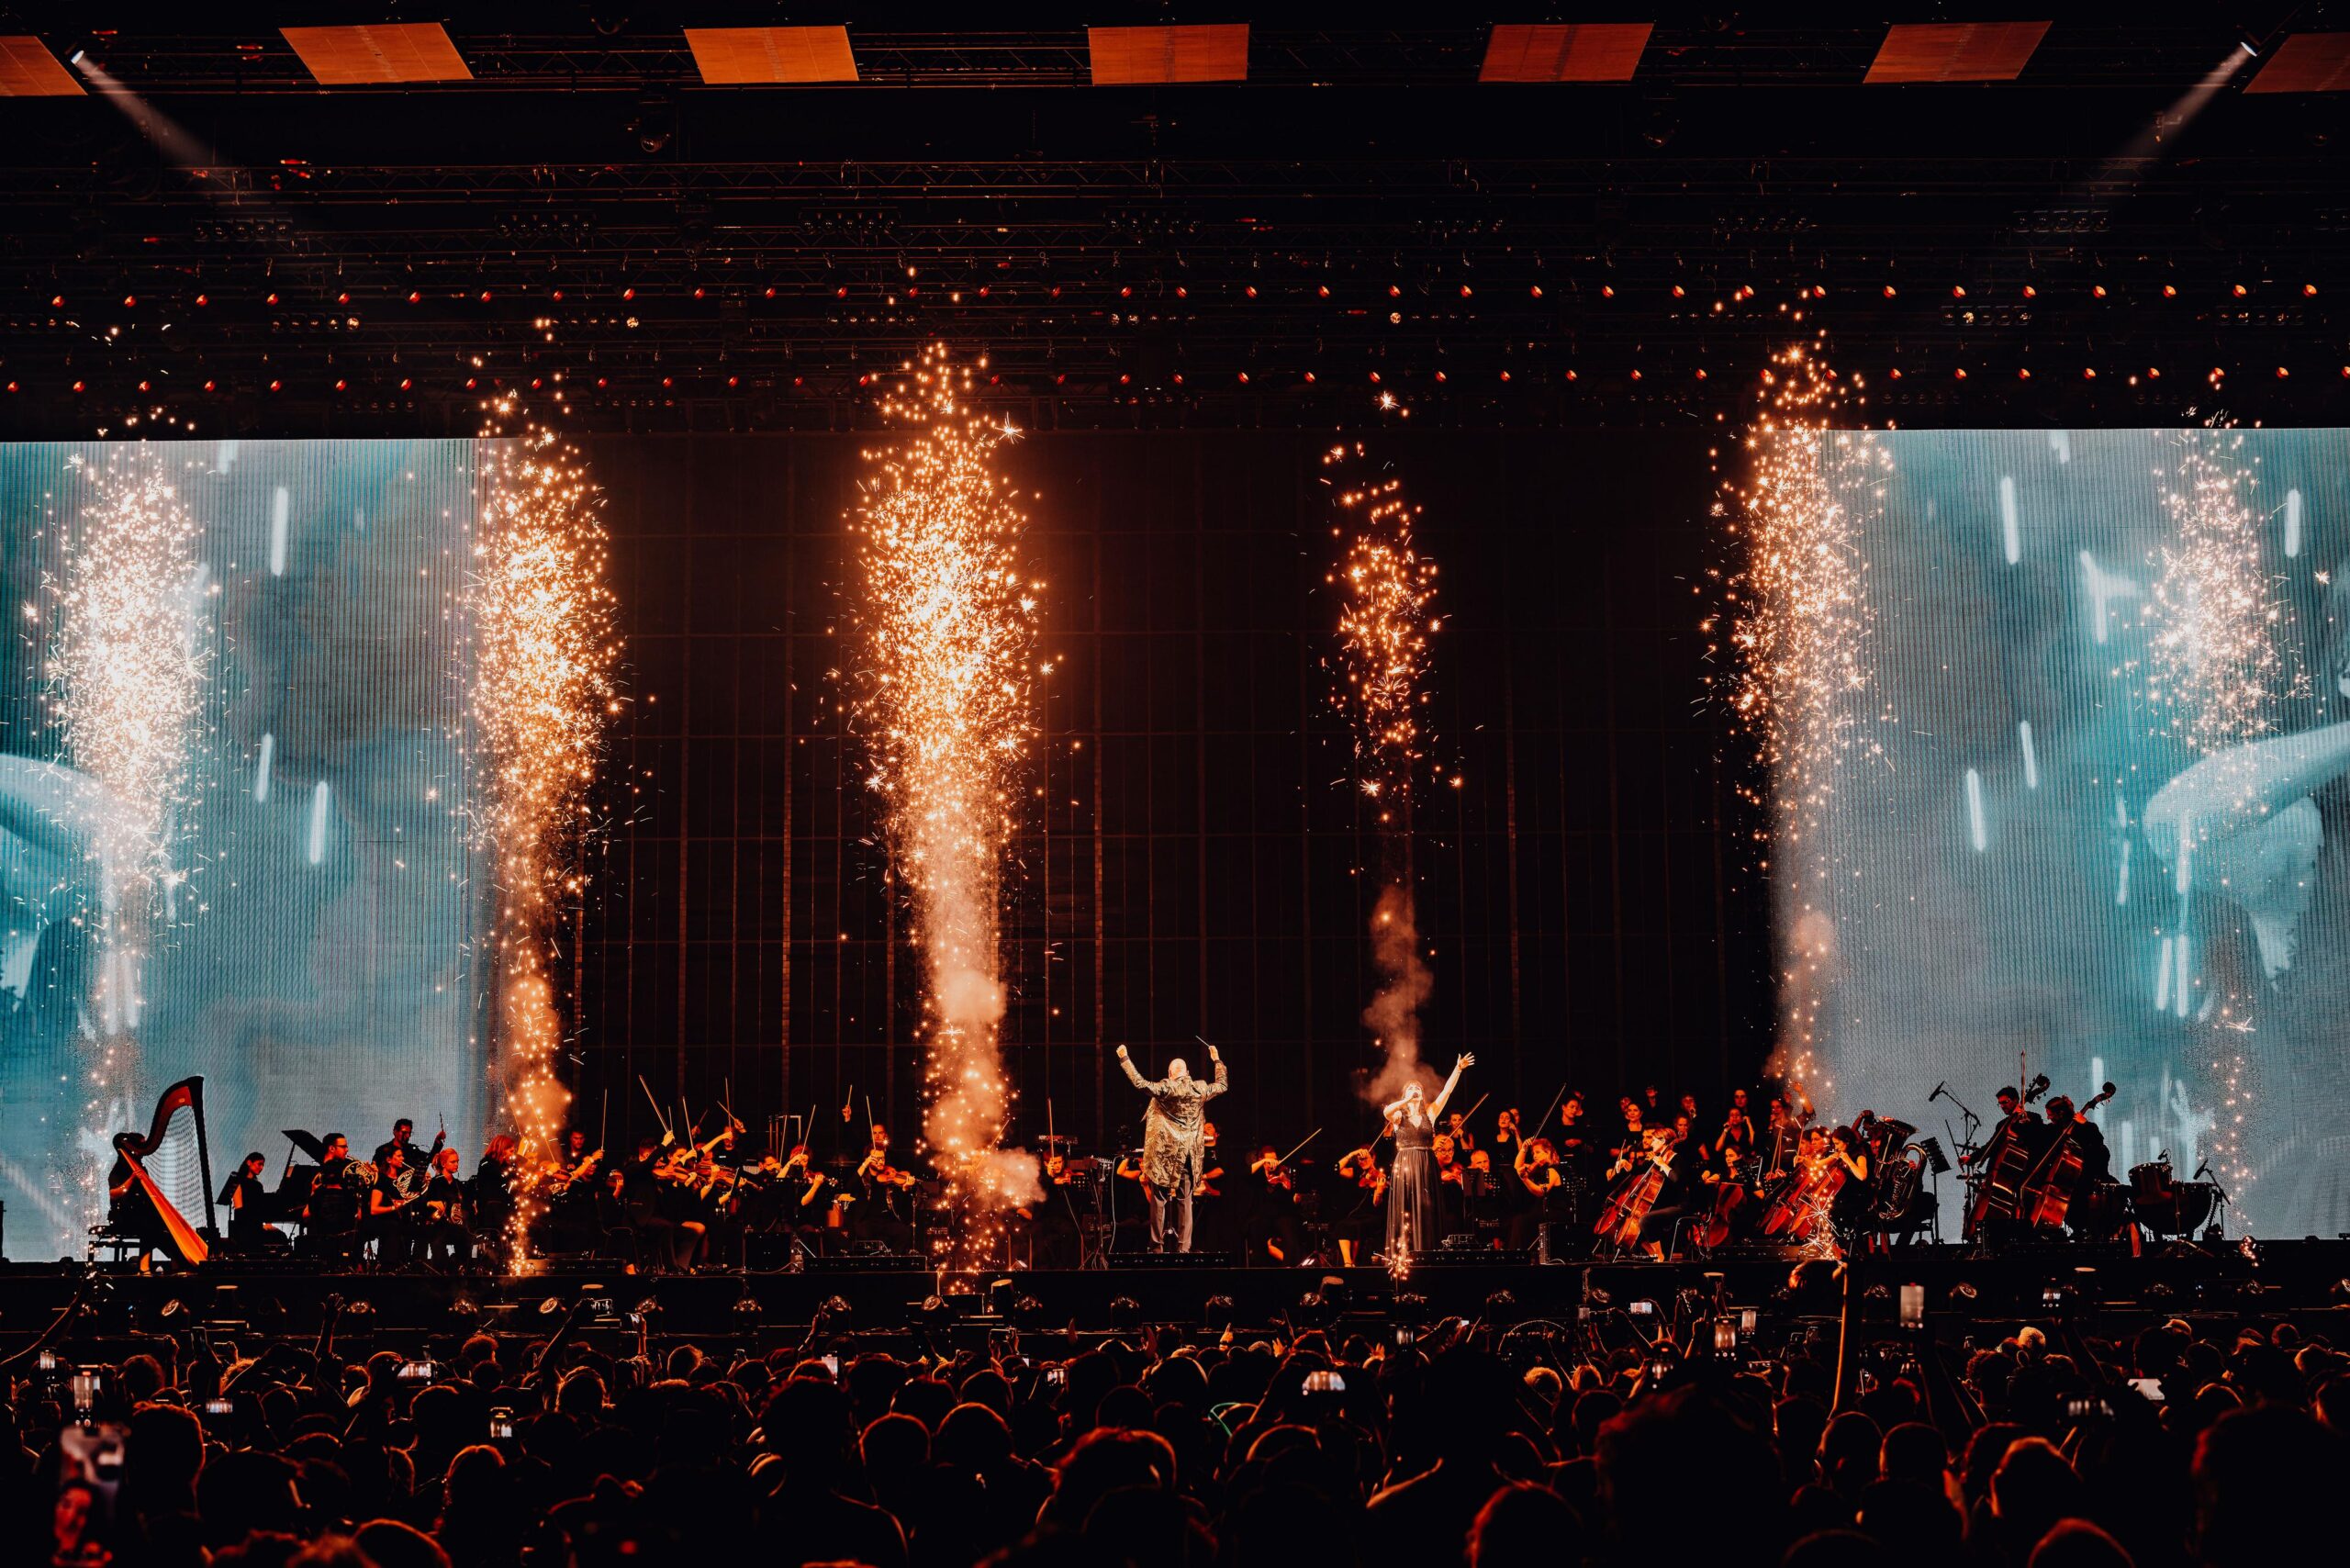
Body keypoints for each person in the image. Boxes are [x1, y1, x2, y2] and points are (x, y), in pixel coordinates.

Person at [1115, 1040, 1227, 1252]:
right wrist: (1217, 1060)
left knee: (1158, 1200)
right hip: (1188, 1154)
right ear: (1188, 1073)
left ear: (1169, 1073)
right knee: (1185, 1201)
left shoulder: (1166, 1087)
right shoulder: (1200, 1088)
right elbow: (1222, 1085)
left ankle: (1156, 1247)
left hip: (1163, 1155)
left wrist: (1124, 1058)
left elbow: (1140, 1083)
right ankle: (1184, 1248)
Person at [1382, 1052, 1474, 1260]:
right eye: (1410, 1088)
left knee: (1425, 1206)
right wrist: (1406, 1100)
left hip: (1425, 1163)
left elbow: (1447, 1091)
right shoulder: (1399, 1116)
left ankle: (1425, 1250)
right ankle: (1403, 1253)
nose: (1415, 1090)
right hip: (1405, 1163)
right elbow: (1386, 1112)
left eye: (1418, 1088)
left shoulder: (1430, 1113)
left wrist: (1457, 1069)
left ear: (1422, 1094)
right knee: (1406, 1206)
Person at [218, 1151, 272, 1252]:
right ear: (249, 1162)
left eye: (263, 1165)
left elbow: (262, 1206)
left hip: (256, 1225)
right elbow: (239, 1209)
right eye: (259, 1164)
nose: (261, 1168)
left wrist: (266, 1223)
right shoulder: (238, 1182)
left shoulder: (258, 1185)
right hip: (245, 1227)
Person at [374, 1117, 442, 1172]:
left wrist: (438, 1141)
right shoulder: (382, 1150)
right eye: (404, 1133)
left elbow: (430, 1159)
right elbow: (375, 1169)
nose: (407, 1136)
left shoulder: (412, 1150)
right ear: (395, 1132)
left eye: (409, 1133)